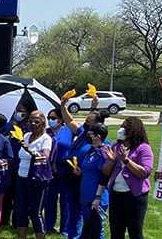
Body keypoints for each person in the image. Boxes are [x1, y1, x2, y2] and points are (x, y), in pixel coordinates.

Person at [61, 96, 110, 238]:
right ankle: (73, 235)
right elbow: (69, 120)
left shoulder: (103, 146)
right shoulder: (83, 134)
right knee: (75, 211)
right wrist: (63, 105)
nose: (85, 124)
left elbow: (105, 172)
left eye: (89, 123)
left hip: (93, 186)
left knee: (95, 225)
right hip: (77, 180)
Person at [103, 116, 154, 239]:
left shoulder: (144, 148)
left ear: (133, 130)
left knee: (135, 232)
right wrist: (110, 162)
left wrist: (126, 161)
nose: (121, 129)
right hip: (116, 194)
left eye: (124, 127)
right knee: (116, 231)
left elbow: (144, 172)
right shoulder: (116, 146)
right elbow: (105, 173)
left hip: (135, 196)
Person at [14, 110, 53, 239]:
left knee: (35, 213)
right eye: (31, 120)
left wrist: (29, 150)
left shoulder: (46, 139)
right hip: (22, 177)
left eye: (37, 121)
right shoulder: (26, 136)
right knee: (21, 211)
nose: (33, 123)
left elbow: (45, 157)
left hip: (37, 180)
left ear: (43, 122)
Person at [1, 98, 35, 228]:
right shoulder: (9, 125)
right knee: (6, 194)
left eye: (21, 111)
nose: (18, 113)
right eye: (17, 110)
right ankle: (4, 219)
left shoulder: (29, 128)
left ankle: (17, 221)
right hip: (8, 164)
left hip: (21, 166)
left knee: (19, 196)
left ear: (27, 113)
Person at [43, 108, 76, 235]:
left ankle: (65, 229)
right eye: (49, 117)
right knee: (49, 199)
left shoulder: (68, 131)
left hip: (65, 169)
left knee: (65, 199)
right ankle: (49, 225)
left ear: (61, 119)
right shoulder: (46, 132)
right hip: (49, 170)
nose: (50, 120)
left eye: (53, 118)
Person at [74, 123, 110, 238]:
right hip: (86, 196)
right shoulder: (91, 151)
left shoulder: (102, 153)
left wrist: (98, 198)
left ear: (98, 136)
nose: (88, 136)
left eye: (90, 134)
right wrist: (80, 172)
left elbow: (104, 176)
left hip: (96, 197)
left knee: (97, 229)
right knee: (87, 227)